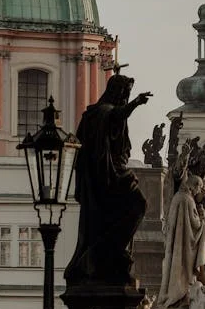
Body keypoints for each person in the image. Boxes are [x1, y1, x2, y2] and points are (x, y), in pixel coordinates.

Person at [64, 73, 152, 284]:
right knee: (138, 205)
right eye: (124, 93)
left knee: (122, 213)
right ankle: (105, 252)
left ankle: (108, 254)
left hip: (112, 172)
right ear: (115, 91)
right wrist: (136, 103)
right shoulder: (102, 112)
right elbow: (117, 114)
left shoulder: (100, 114)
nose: (125, 97)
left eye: (128, 94)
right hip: (107, 175)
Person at [158, 174, 205, 307]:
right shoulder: (188, 200)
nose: (199, 191)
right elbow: (195, 224)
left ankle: (172, 294)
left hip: (175, 243)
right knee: (183, 272)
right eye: (199, 188)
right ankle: (180, 294)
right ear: (194, 185)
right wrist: (202, 219)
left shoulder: (177, 197)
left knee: (174, 269)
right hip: (184, 246)